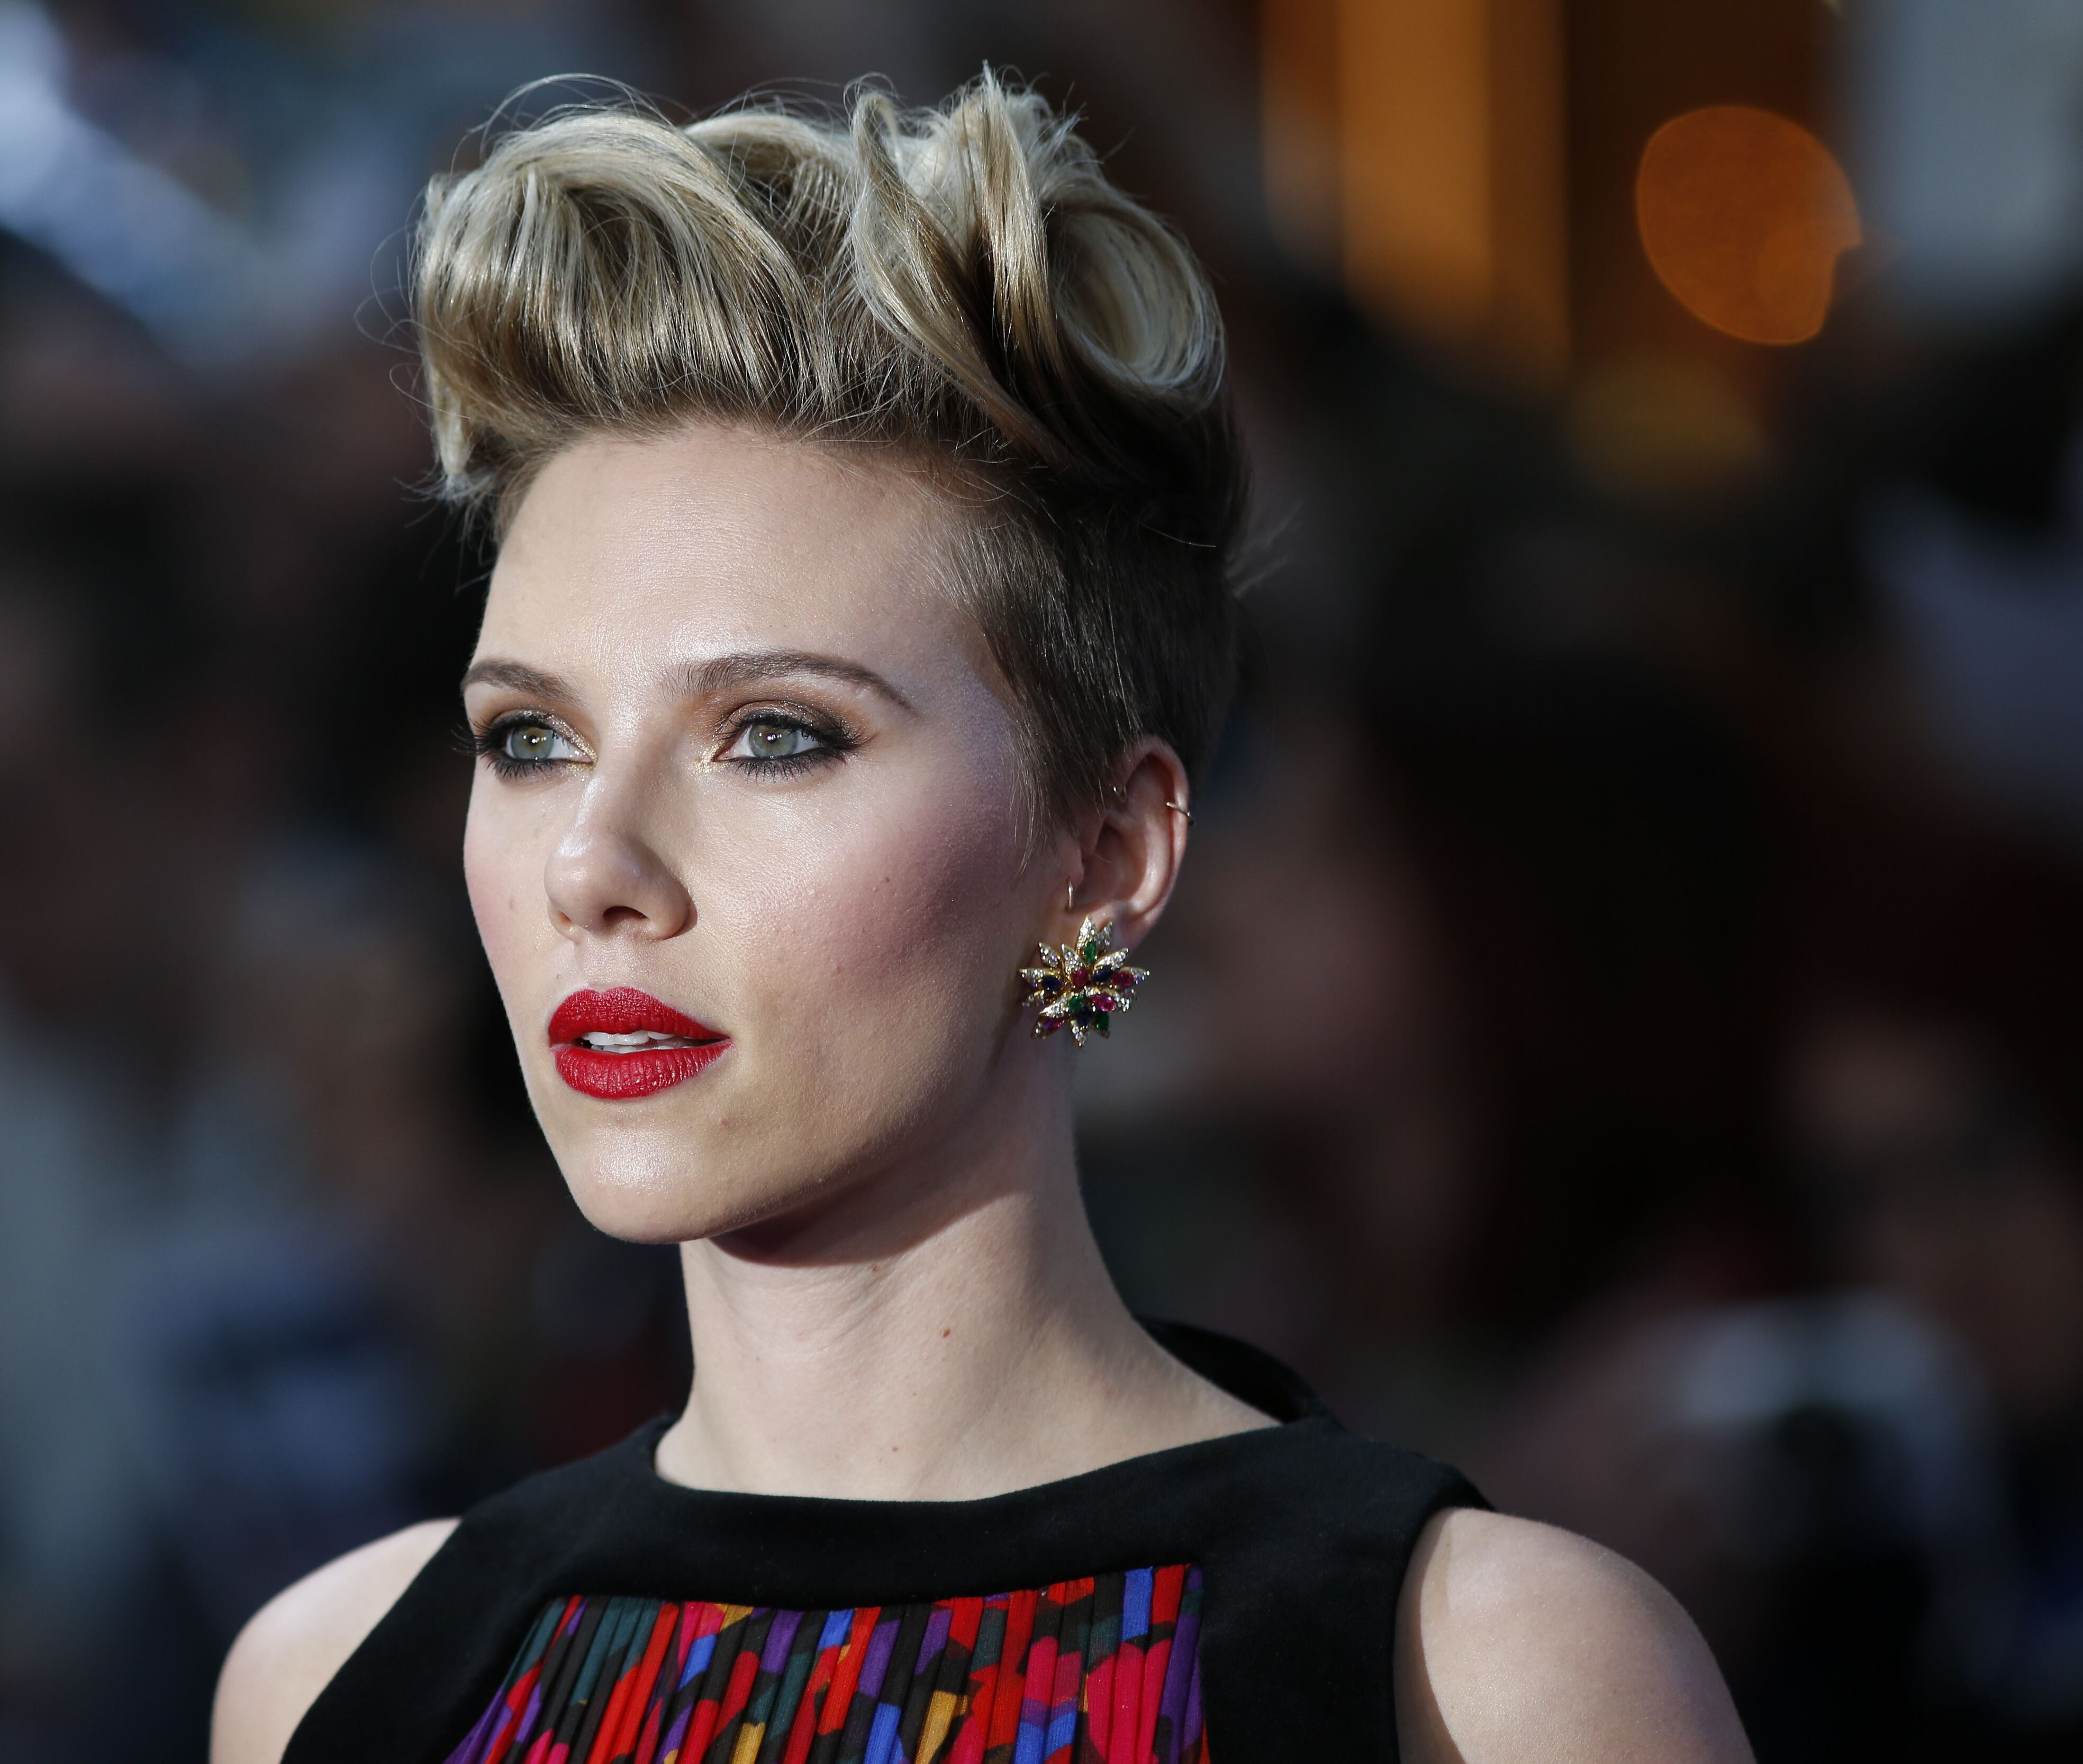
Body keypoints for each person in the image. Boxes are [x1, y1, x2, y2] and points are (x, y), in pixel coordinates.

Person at [213, 75, 1752, 1764]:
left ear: (1106, 854)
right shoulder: (339, 1682)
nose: (593, 861)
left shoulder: (1480, 1679)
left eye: (775, 736)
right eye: (529, 739)